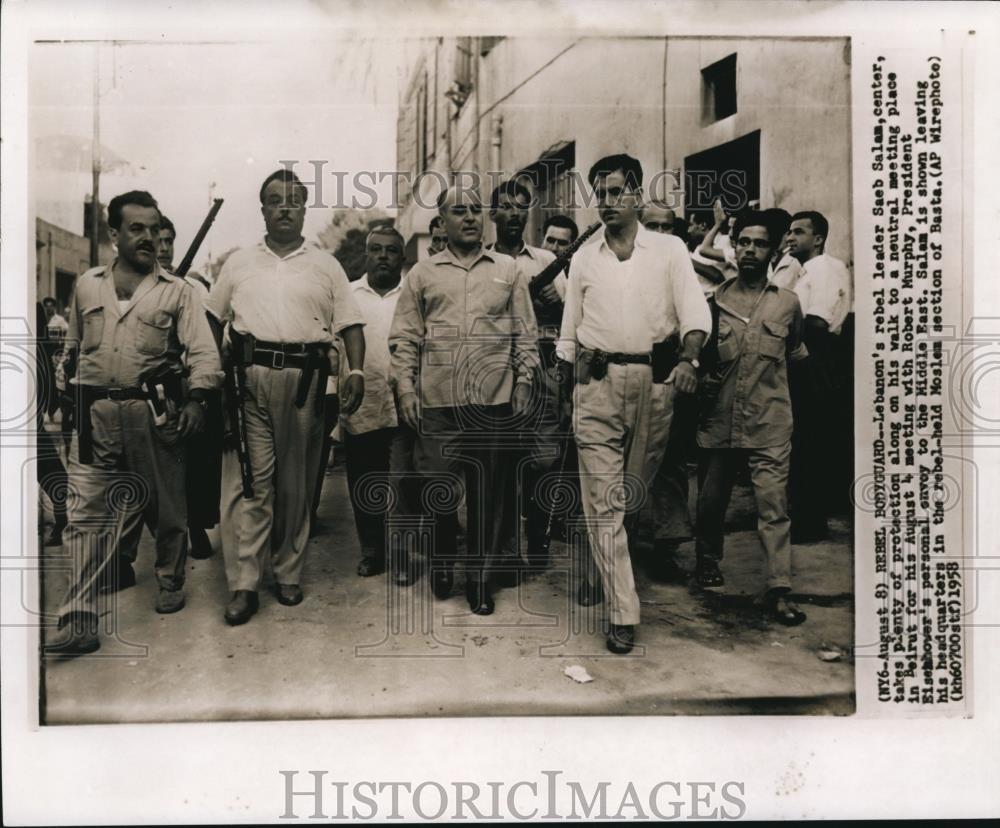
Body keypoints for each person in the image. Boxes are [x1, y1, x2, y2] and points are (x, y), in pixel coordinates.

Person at [45, 190, 221, 656]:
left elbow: (203, 352)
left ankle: (169, 578)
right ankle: (78, 617)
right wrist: (67, 396)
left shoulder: (177, 291)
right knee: (83, 517)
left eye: (153, 228)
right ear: (114, 234)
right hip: (94, 414)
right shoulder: (87, 286)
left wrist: (198, 400)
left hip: (153, 412)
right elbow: (75, 349)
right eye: (137, 229)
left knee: (167, 508)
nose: (148, 238)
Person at [557, 154, 710, 654]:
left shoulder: (668, 250)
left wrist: (689, 359)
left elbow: (694, 313)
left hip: (652, 382)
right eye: (599, 193)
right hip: (595, 381)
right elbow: (568, 331)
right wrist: (568, 388)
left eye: (616, 191)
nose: (606, 202)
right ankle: (623, 611)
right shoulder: (584, 256)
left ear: (638, 195)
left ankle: (596, 567)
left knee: (627, 496)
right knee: (603, 501)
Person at [206, 169, 366, 626]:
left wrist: (354, 370)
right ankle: (244, 584)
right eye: (274, 200)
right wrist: (209, 371)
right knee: (252, 484)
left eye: (293, 200)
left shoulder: (325, 264)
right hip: (248, 381)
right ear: (263, 209)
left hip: (305, 382)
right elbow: (212, 319)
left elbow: (350, 324)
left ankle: (289, 571)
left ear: (304, 208)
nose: (284, 207)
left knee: (296, 483)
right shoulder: (238, 262)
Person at [390, 182, 538, 615]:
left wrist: (524, 382)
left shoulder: (509, 270)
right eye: (459, 211)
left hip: (492, 402)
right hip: (437, 401)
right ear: (443, 220)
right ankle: (440, 559)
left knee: (488, 494)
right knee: (437, 488)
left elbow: (524, 335)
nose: (470, 217)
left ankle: (478, 580)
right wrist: (406, 388)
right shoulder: (422, 275)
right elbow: (404, 337)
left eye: (476, 210)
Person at [695, 210, 809, 626]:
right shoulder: (713, 304)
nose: (749, 250)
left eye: (759, 244)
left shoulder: (788, 304)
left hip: (769, 421)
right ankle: (707, 560)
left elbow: (795, 355)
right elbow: (700, 357)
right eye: (743, 241)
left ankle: (779, 589)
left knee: (773, 507)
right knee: (710, 502)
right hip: (720, 418)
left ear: (774, 250)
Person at [487, 181, 565, 577]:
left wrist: (557, 303)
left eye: (522, 207)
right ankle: (501, 548)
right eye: (506, 207)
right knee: (499, 464)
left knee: (544, 461)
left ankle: (538, 539)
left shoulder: (545, 260)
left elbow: (574, 319)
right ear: (492, 215)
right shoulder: (481, 264)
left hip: (544, 372)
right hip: (495, 373)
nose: (515, 214)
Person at [340, 225, 416, 584]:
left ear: (403, 257)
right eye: (377, 250)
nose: (384, 256)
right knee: (364, 482)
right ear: (367, 255)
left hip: (404, 403)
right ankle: (372, 551)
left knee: (402, 482)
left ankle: (401, 556)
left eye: (391, 250)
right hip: (363, 403)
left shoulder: (414, 293)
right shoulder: (347, 295)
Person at [155, 212, 223, 561]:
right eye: (159, 240)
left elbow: (208, 340)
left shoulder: (194, 289)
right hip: (149, 388)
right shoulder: (137, 286)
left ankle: (195, 525)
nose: (164, 248)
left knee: (194, 460)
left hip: (184, 383)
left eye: (170, 241)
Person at [784, 210, 854, 540]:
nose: (791, 237)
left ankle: (809, 522)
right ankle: (806, 516)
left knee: (809, 439)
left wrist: (792, 347)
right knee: (806, 438)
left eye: (799, 232)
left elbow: (816, 321)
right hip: (811, 354)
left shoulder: (824, 267)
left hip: (815, 355)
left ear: (818, 238)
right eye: (789, 231)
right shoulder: (806, 269)